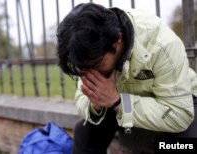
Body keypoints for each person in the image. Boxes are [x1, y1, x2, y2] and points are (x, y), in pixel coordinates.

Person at [56, 3, 197, 154]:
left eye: (95, 64)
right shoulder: (89, 49)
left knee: (184, 144)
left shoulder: (162, 43)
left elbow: (179, 114)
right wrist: (96, 103)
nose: (90, 72)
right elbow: (82, 100)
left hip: (170, 103)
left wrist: (118, 101)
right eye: (83, 67)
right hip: (119, 105)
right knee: (84, 133)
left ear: (118, 41)